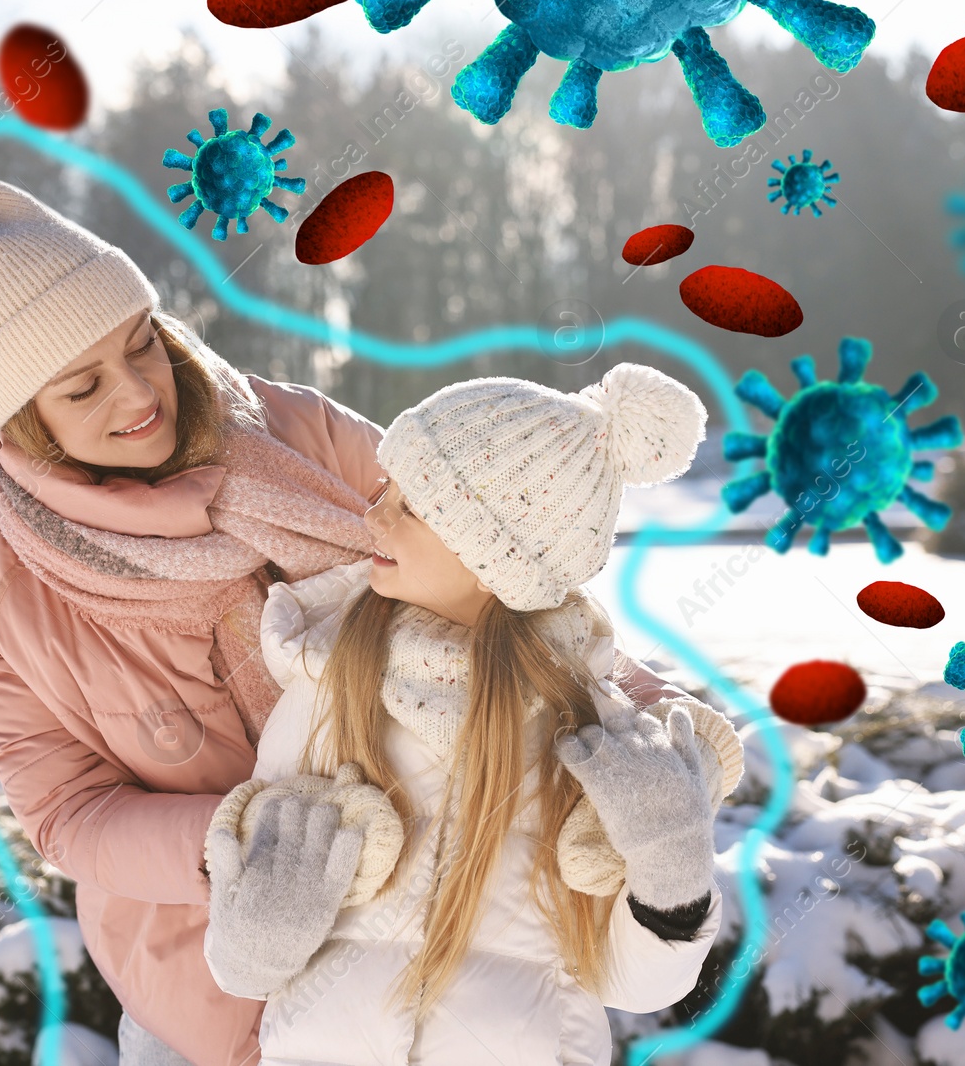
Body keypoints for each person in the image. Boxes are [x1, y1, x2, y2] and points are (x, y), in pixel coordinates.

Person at [0, 177, 386, 1066]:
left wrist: (636, 712)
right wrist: (238, 843)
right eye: (83, 387)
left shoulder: (293, 432)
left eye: (143, 346)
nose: (138, 397)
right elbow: (65, 811)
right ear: (24, 420)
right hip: (202, 988)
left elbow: (486, 561)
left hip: (424, 914)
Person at [202, 364, 745, 1064]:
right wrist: (255, 940)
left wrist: (674, 872)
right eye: (385, 489)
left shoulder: (592, 739)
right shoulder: (325, 690)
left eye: (413, 506)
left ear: (498, 557)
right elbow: (240, 964)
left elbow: (634, 984)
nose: (373, 516)